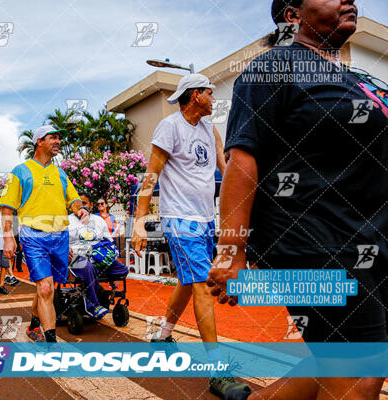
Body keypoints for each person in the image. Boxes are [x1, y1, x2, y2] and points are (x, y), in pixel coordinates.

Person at [206, 1, 388, 399]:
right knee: (361, 373)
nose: (348, 0)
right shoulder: (273, 68)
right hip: (312, 240)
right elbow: (242, 157)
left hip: (370, 236)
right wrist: (231, 252)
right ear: (293, 15)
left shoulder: (357, 79)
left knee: (333, 363)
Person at [131, 73, 249, 397]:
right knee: (201, 283)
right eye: (210, 93)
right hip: (179, 220)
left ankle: (163, 336)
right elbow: (150, 175)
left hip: (204, 220)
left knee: (187, 280)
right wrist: (140, 222)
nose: (214, 99)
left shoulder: (209, 130)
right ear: (195, 95)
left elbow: (226, 169)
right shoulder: (170, 127)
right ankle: (217, 372)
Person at [1, 124, 90, 343]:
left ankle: (33, 325)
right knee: (46, 288)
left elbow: (73, 198)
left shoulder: (60, 173)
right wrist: (8, 237)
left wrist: (80, 207)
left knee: (46, 288)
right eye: (53, 137)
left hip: (60, 237)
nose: (58, 141)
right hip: (34, 236)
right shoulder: (20, 171)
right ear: (39, 141)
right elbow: (7, 208)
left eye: (59, 138)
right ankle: (52, 345)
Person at [69, 193, 128, 318]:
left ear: (90, 205)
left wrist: (108, 254)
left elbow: (108, 240)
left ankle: (101, 292)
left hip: (98, 256)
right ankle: (93, 305)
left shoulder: (99, 220)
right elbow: (59, 241)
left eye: (84, 203)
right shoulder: (68, 220)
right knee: (89, 268)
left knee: (122, 270)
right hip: (77, 257)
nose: (81, 207)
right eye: (78, 204)